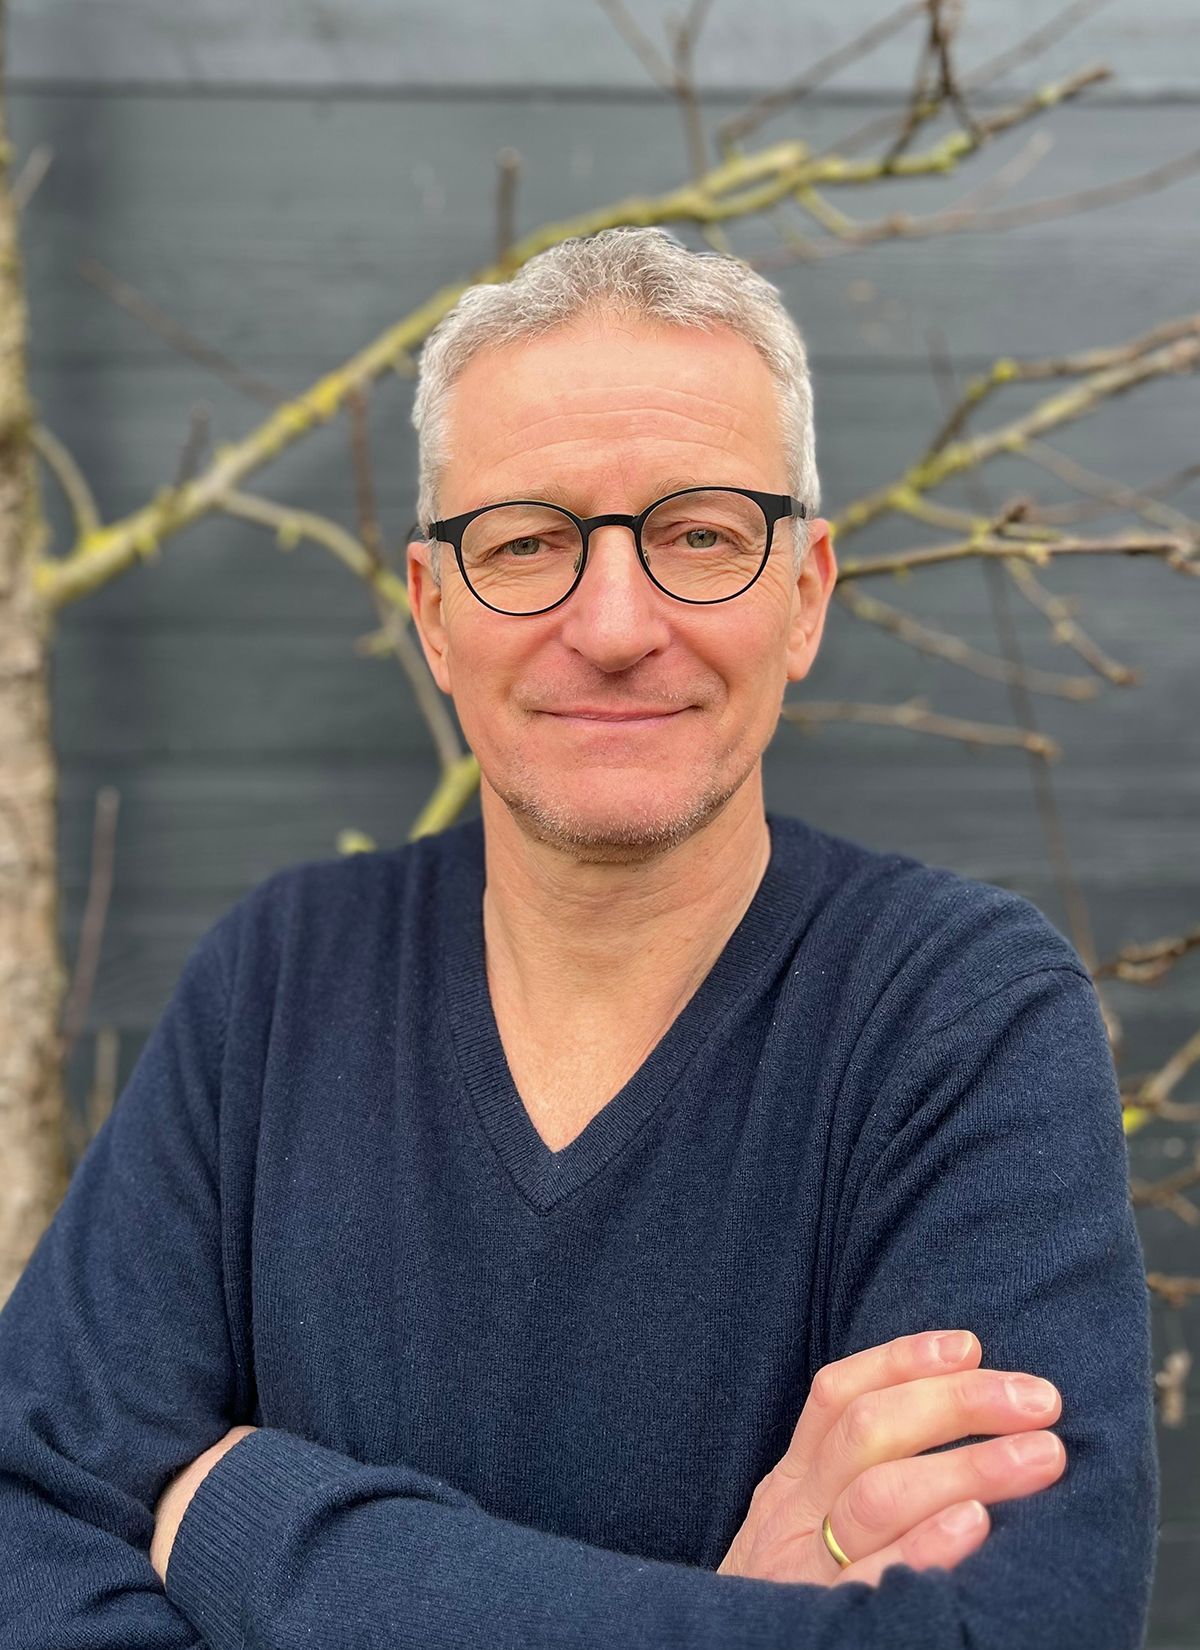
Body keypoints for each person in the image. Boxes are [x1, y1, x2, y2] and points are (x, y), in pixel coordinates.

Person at [0, 227, 1158, 1650]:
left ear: (805, 594)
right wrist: (730, 1617)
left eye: (701, 536)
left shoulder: (960, 1018)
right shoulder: (277, 983)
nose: (614, 625)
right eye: (528, 542)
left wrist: (256, 1523)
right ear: (433, 611)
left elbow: (1006, 1635)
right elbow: (24, 1522)